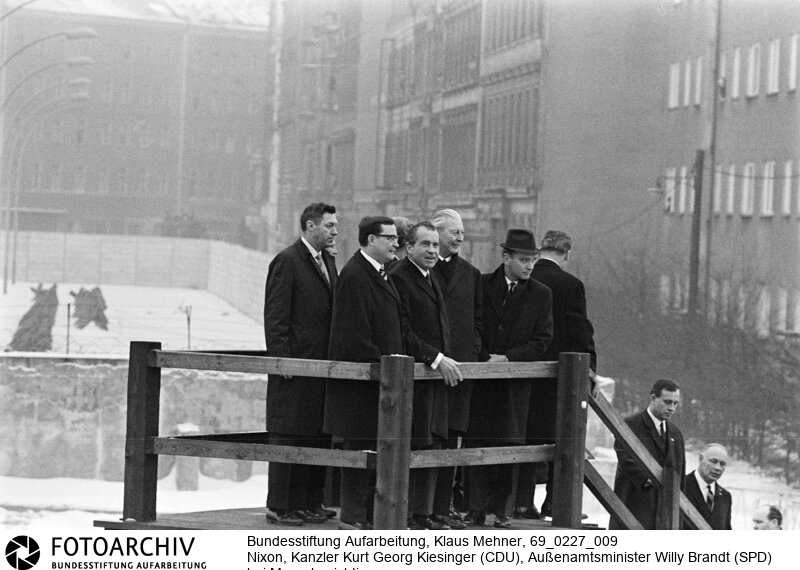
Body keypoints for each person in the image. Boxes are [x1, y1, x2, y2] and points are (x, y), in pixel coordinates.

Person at [464, 229, 553, 528]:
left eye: (533, 260)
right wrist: (483, 355)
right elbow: (472, 324)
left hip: (515, 383)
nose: (529, 266)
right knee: (476, 441)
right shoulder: (482, 284)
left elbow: (542, 340)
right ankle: (475, 508)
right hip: (481, 379)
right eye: (524, 259)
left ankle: (501, 510)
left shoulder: (541, 294)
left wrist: (508, 358)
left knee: (509, 445)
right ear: (506, 258)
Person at [324, 216, 404, 529]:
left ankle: (367, 515)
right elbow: (353, 335)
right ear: (371, 240)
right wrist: (386, 362)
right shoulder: (356, 275)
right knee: (359, 450)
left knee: (373, 449)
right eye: (390, 238)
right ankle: (354, 516)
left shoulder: (382, 274)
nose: (396, 243)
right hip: (362, 384)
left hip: (380, 382)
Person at [263, 202, 338, 526]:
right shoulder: (288, 261)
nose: (335, 231)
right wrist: (283, 362)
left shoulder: (328, 263)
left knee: (315, 436)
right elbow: (276, 318)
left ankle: (310, 502)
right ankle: (281, 505)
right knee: (289, 436)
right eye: (329, 225)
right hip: (295, 371)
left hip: (322, 370)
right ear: (310, 226)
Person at [515, 229, 597, 520]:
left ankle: (520, 501)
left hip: (521, 372)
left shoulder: (523, 277)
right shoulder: (570, 284)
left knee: (524, 437)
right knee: (562, 439)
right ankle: (554, 501)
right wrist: (590, 370)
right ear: (566, 254)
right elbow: (579, 330)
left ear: (541, 250)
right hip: (559, 379)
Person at [389, 221, 463, 530]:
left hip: (433, 378)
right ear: (409, 248)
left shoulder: (430, 277)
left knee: (431, 444)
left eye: (435, 245)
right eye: (425, 245)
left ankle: (424, 513)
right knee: (415, 444)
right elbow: (402, 329)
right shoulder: (399, 279)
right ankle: (408, 514)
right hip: (414, 377)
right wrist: (435, 357)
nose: (433, 250)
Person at [429, 209, 482, 529]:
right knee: (427, 437)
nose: (460, 237)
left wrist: (473, 351)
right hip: (430, 369)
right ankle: (423, 505)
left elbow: (477, 321)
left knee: (452, 439)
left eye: (462, 232)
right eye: (454, 232)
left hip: (460, 370)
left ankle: (444, 505)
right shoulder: (424, 269)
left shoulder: (471, 274)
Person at [610, 378, 686, 530]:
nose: (672, 408)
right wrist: (650, 479)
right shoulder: (630, 425)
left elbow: (680, 476)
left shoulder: (676, 434)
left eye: (675, 403)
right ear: (653, 399)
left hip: (666, 516)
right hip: (633, 509)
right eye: (667, 402)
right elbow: (626, 459)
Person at [683, 443, 732, 530]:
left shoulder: (725, 496)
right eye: (713, 461)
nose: (718, 468)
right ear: (701, 459)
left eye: (722, 464)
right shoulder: (681, 486)